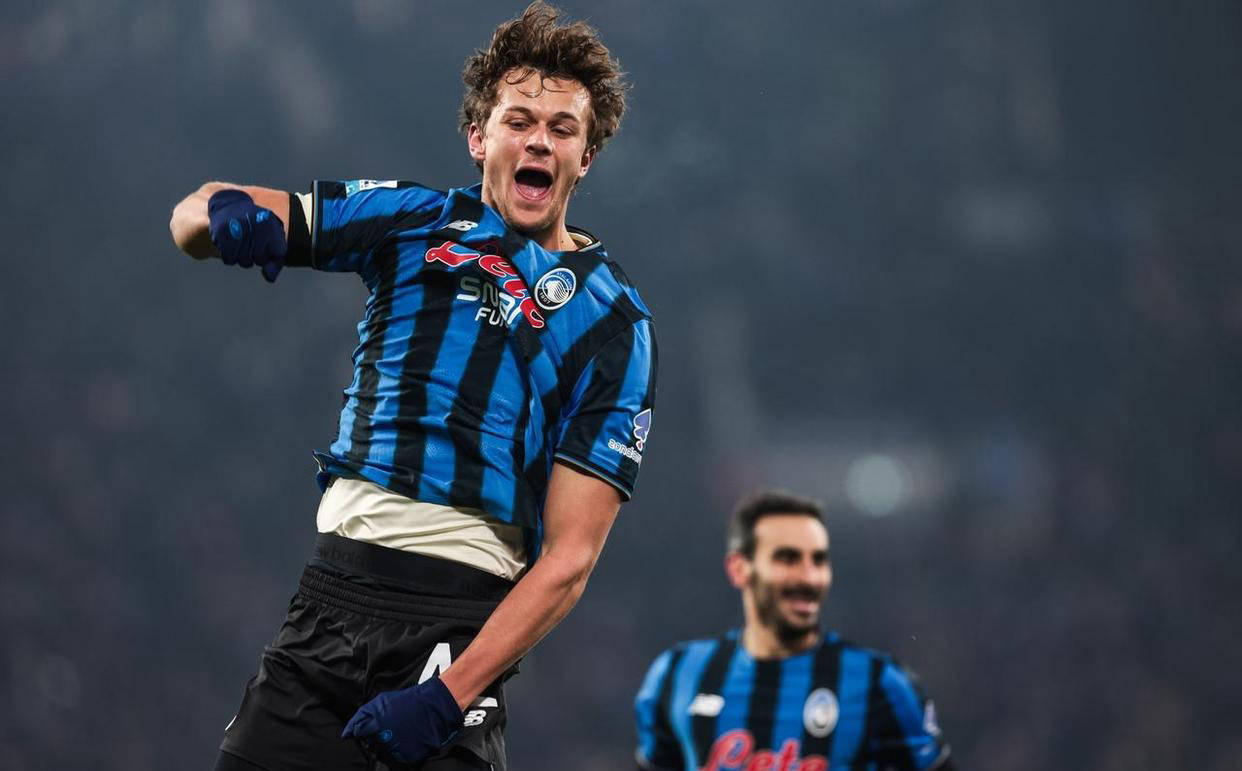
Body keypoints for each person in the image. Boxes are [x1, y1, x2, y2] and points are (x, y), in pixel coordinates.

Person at [169, 4, 656, 769]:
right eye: (519, 120)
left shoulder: (614, 321)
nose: (539, 140)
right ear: (478, 137)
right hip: (326, 607)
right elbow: (191, 214)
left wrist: (447, 696)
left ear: (585, 156)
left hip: (455, 633)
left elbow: (570, 558)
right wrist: (222, 217)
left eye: (562, 129)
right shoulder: (413, 219)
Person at [634, 491, 951, 771]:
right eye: (788, 559)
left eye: (819, 560)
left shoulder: (880, 684)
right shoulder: (678, 675)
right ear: (739, 569)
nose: (809, 578)